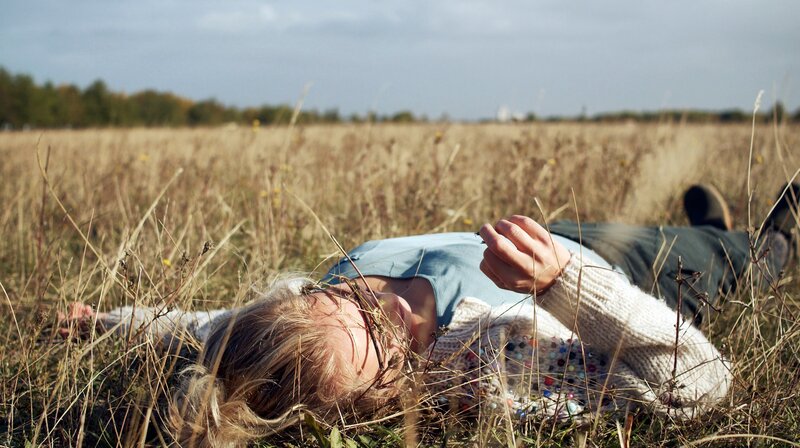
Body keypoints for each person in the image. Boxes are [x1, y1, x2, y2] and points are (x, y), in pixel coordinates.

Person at [57, 183, 799, 447]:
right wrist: (562, 282)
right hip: (627, 286)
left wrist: (106, 319)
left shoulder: (323, 294)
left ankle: (715, 229)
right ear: (388, 398)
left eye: (347, 298)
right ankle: (775, 240)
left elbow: (196, 321)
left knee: (683, 233)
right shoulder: (498, 364)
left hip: (567, 239)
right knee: (726, 262)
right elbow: (702, 380)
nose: (381, 302)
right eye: (385, 341)